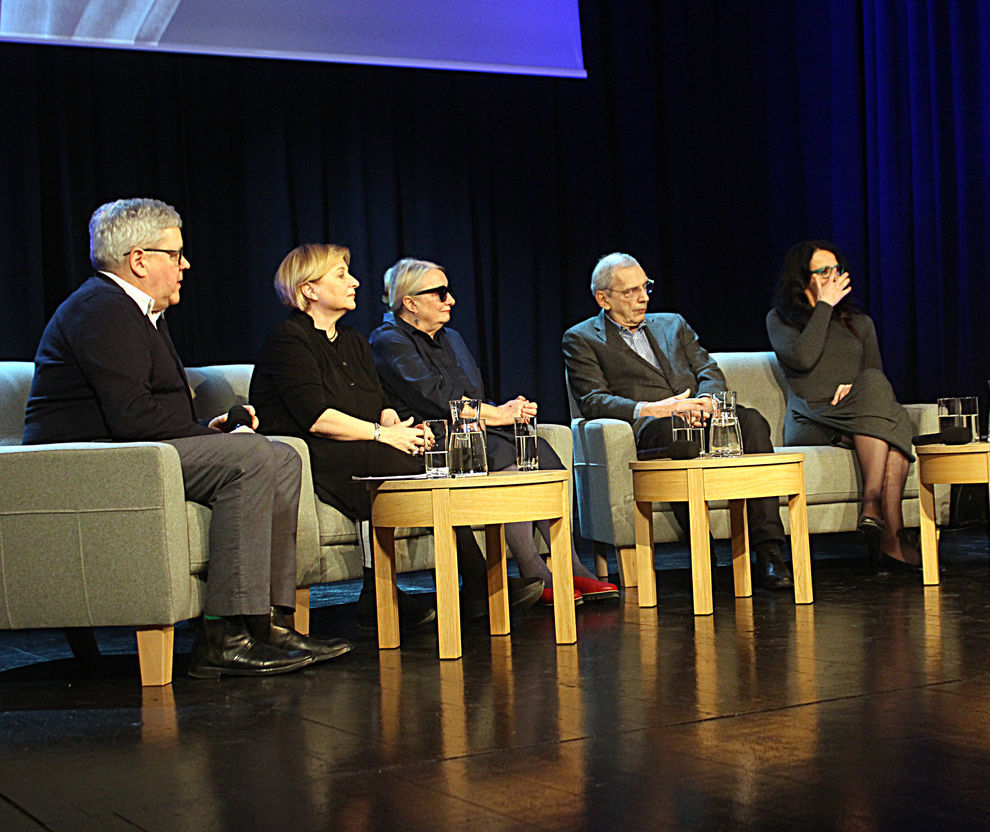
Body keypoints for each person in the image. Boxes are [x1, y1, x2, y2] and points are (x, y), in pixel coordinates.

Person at [23, 198, 350, 679]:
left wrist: (210, 430)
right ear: (139, 259)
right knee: (252, 457)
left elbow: (145, 410)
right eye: (175, 255)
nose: (185, 265)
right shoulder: (102, 310)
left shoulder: (138, 311)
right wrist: (211, 439)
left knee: (280, 456)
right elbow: (132, 418)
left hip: (134, 450)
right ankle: (223, 635)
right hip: (90, 465)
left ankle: (269, 622)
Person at [249, 245, 544, 628]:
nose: (354, 282)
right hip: (312, 451)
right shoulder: (289, 340)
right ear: (309, 290)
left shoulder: (352, 340)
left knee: (435, 454)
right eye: (340, 275)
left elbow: (379, 402)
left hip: (360, 441)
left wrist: (398, 426)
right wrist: (382, 436)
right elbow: (317, 418)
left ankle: (411, 590)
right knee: (405, 462)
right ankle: (472, 585)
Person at [369, 258, 619, 605]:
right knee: (504, 454)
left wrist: (507, 412)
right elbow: (435, 398)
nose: (450, 300)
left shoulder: (450, 338)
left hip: (471, 432)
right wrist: (496, 414)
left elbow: (474, 394)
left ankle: (570, 563)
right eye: (440, 293)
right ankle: (533, 569)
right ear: (410, 302)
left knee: (540, 450)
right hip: (431, 440)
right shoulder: (389, 339)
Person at [562, 251, 794, 590]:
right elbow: (594, 400)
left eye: (646, 288)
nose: (643, 298)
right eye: (631, 292)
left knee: (753, 423)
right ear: (603, 298)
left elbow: (707, 369)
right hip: (657, 428)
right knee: (679, 436)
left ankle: (769, 553)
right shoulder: (581, 338)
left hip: (702, 416)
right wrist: (653, 408)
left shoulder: (673, 323)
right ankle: (703, 551)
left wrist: (707, 402)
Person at [766, 240, 919, 570]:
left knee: (879, 390)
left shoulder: (859, 322)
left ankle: (883, 525)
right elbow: (803, 359)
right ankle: (886, 524)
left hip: (856, 410)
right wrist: (823, 307)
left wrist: (858, 385)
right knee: (893, 426)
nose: (833, 276)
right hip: (813, 415)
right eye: (823, 271)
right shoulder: (781, 320)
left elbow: (874, 373)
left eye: (837, 270)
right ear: (802, 278)